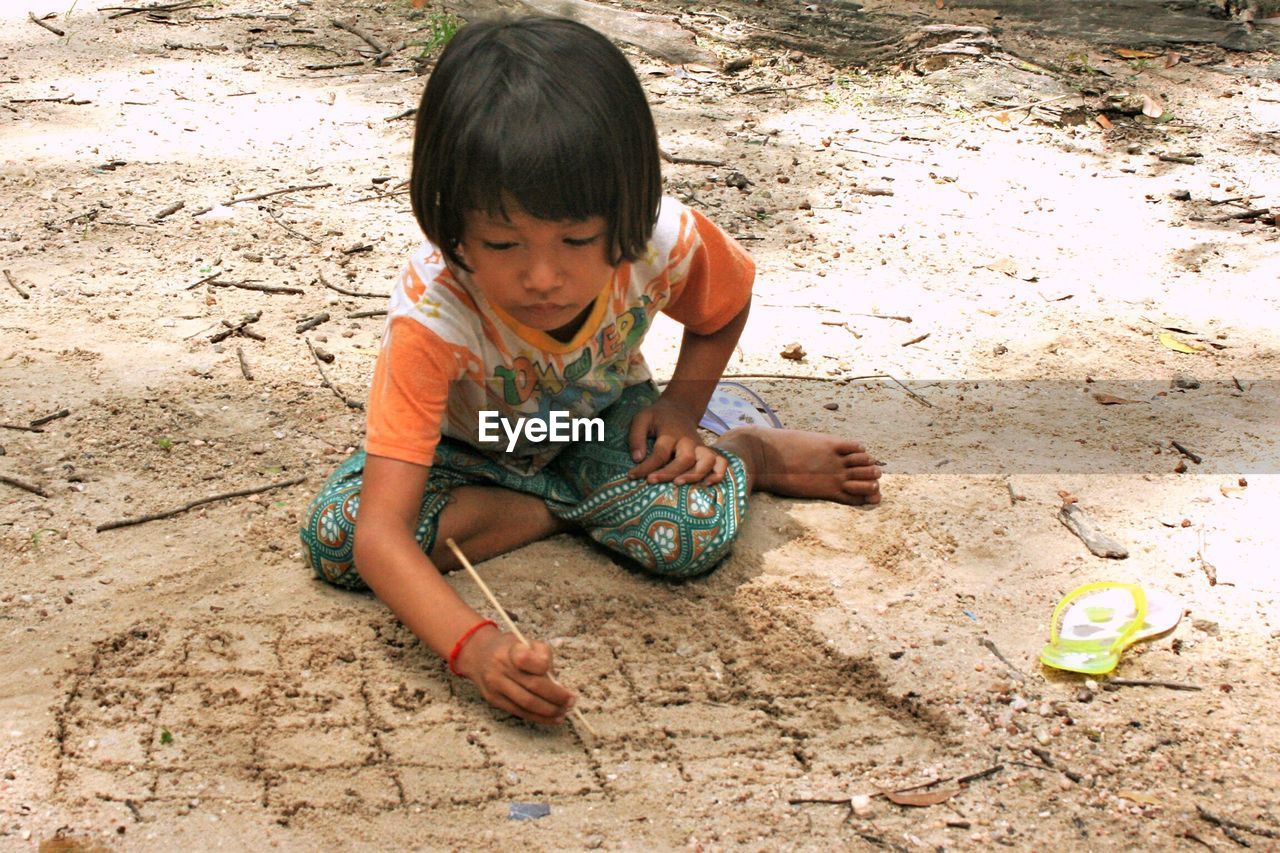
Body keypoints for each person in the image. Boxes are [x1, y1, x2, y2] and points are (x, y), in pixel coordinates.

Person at [300, 16, 882, 727]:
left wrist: (680, 411)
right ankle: (577, 506)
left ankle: (749, 453)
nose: (543, 276)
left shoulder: (661, 240)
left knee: (686, 532)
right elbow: (380, 532)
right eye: (503, 242)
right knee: (337, 535)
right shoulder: (433, 317)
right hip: (471, 450)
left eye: (577, 239)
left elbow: (723, 305)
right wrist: (474, 647)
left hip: (598, 422)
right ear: (450, 226)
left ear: (627, 212)